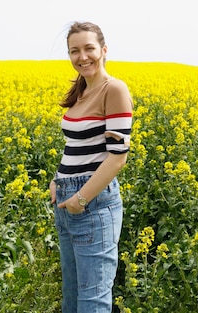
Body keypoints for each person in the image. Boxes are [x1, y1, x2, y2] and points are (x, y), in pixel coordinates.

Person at [50, 21, 133, 313]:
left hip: (92, 204)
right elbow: (75, 147)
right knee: (72, 298)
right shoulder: (81, 91)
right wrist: (56, 179)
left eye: (89, 48)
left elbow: (118, 156)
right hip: (67, 198)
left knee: (93, 301)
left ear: (104, 50)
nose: (82, 57)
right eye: (74, 51)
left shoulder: (115, 90)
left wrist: (82, 198)